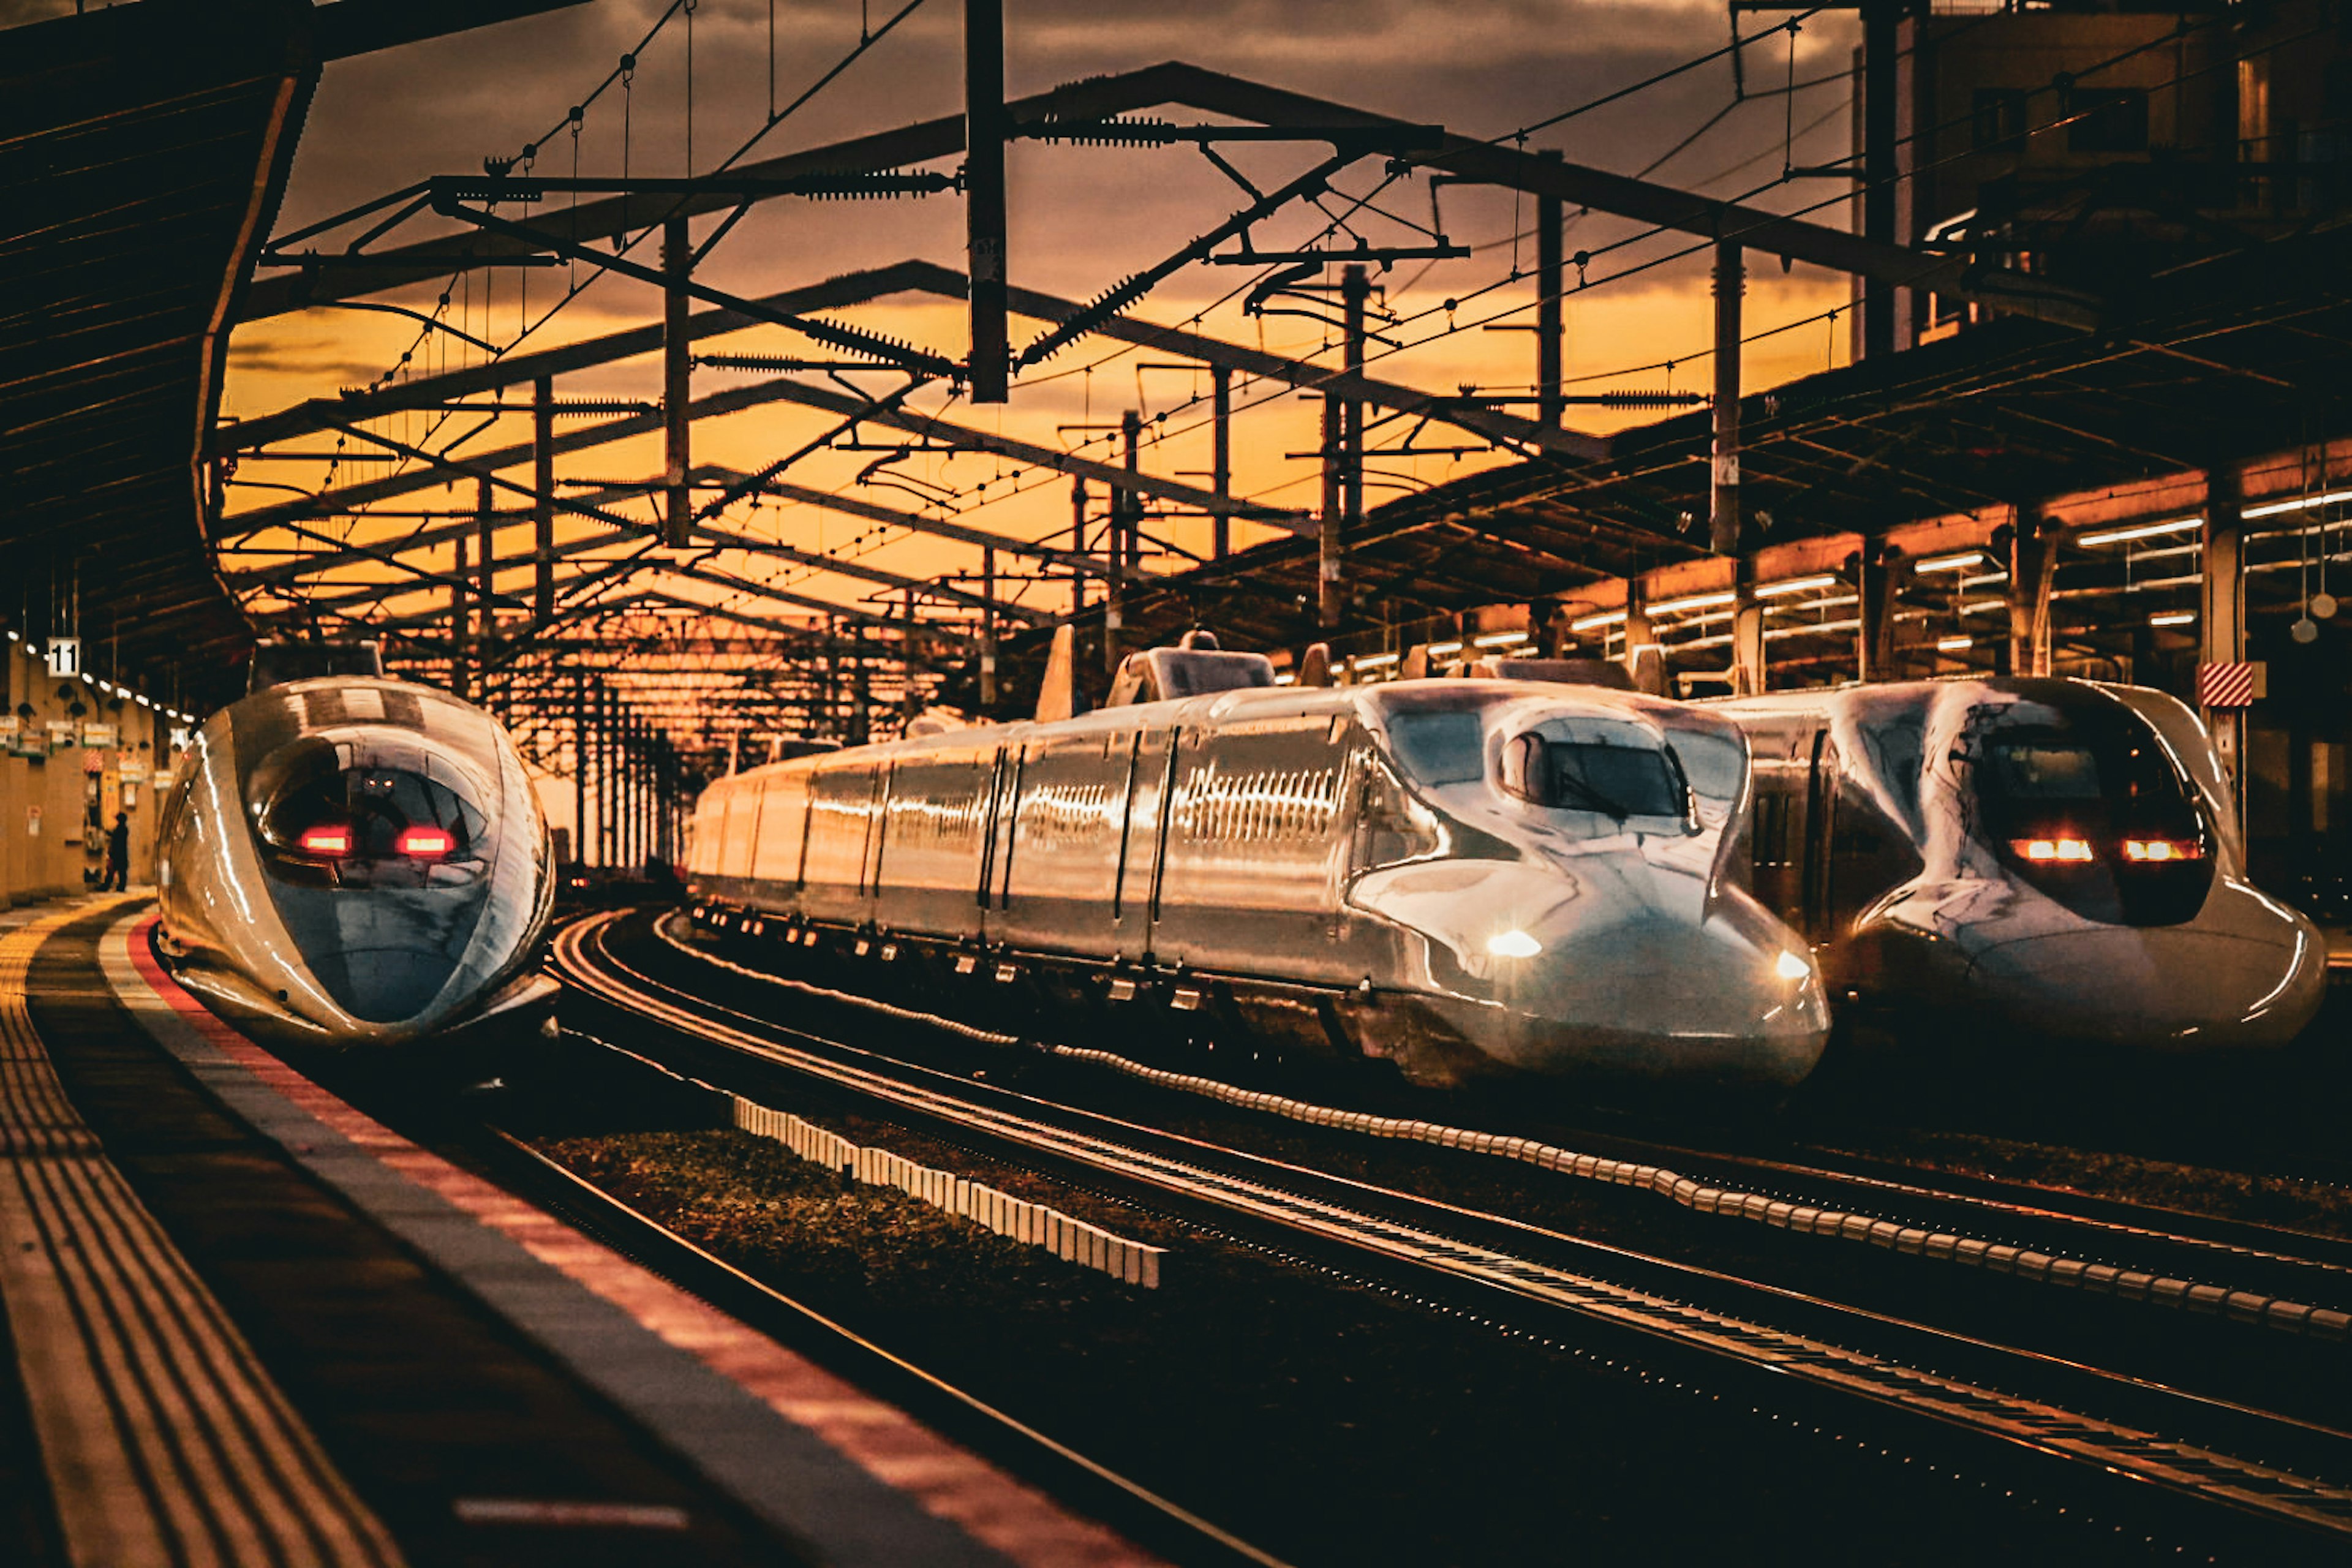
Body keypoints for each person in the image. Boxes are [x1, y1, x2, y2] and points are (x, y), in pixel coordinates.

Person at [105, 812, 130, 892]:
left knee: (113, 870)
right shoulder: (123, 829)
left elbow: (115, 838)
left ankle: (108, 886)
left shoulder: (121, 829)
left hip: (118, 854)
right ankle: (120, 886)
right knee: (121, 871)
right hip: (121, 854)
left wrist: (107, 832)